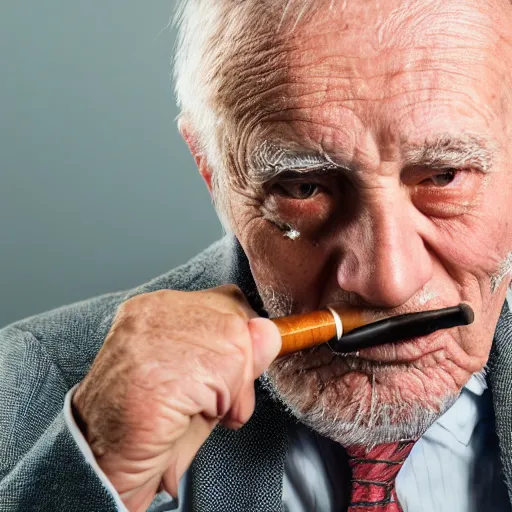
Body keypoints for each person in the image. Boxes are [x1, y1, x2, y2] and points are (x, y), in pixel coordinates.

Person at [2, 0, 512, 510]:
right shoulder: (28, 391)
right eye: (305, 187)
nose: (389, 281)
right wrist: (94, 477)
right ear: (211, 171)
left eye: (444, 176)